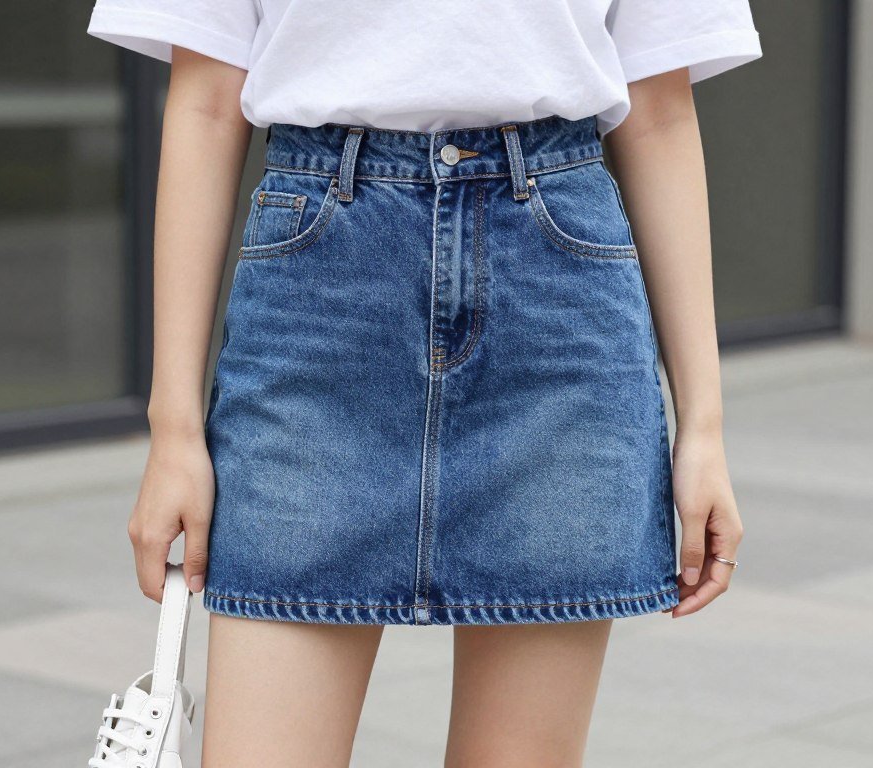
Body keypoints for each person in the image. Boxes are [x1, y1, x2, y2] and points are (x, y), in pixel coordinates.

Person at [87, 1, 761, 765]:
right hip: (318, 297)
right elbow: (206, 105)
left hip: (555, 294)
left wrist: (703, 425)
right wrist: (172, 430)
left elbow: (661, 113)